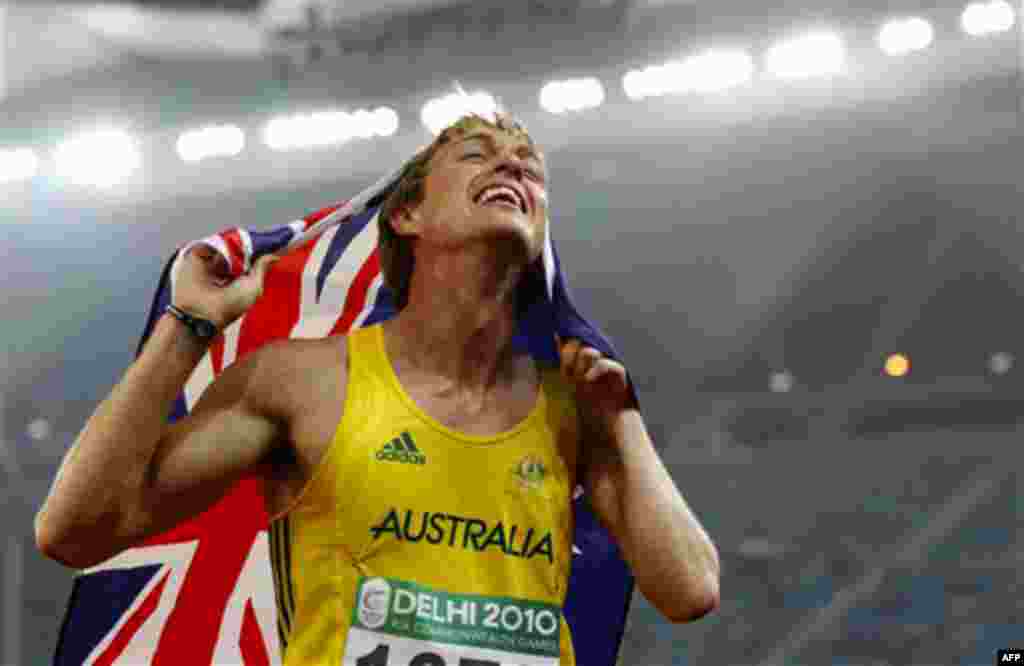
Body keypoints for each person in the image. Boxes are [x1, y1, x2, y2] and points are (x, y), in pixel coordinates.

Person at [35, 112, 720, 664]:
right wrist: (186, 327)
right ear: (405, 215)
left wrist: (622, 423)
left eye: (530, 165)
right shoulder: (302, 381)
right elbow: (74, 531)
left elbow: (691, 589)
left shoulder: (575, 403)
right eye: (479, 154)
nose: (514, 163)